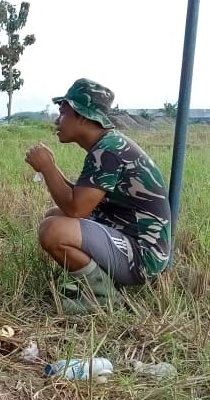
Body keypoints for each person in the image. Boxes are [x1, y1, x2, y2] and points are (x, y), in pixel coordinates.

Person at [25, 79, 172, 313]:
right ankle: (97, 283)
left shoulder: (108, 151)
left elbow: (77, 209)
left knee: (53, 230)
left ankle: (105, 299)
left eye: (63, 113)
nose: (57, 121)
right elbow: (79, 199)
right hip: (127, 238)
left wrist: (47, 169)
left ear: (83, 116)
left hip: (143, 256)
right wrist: (51, 166)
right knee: (54, 215)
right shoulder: (107, 145)